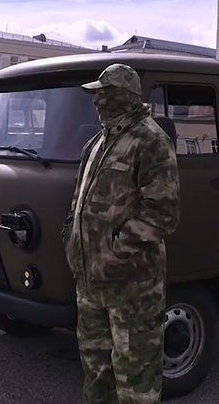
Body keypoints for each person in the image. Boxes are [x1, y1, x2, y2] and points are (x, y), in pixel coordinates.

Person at [61, 63, 181, 404]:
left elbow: (163, 214)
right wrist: (71, 240)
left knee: (135, 381)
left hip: (132, 287)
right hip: (90, 283)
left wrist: (114, 255)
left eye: (104, 94)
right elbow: (78, 201)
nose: (97, 102)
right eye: (96, 95)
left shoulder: (151, 140)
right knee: (96, 373)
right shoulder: (97, 142)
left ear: (125, 97)